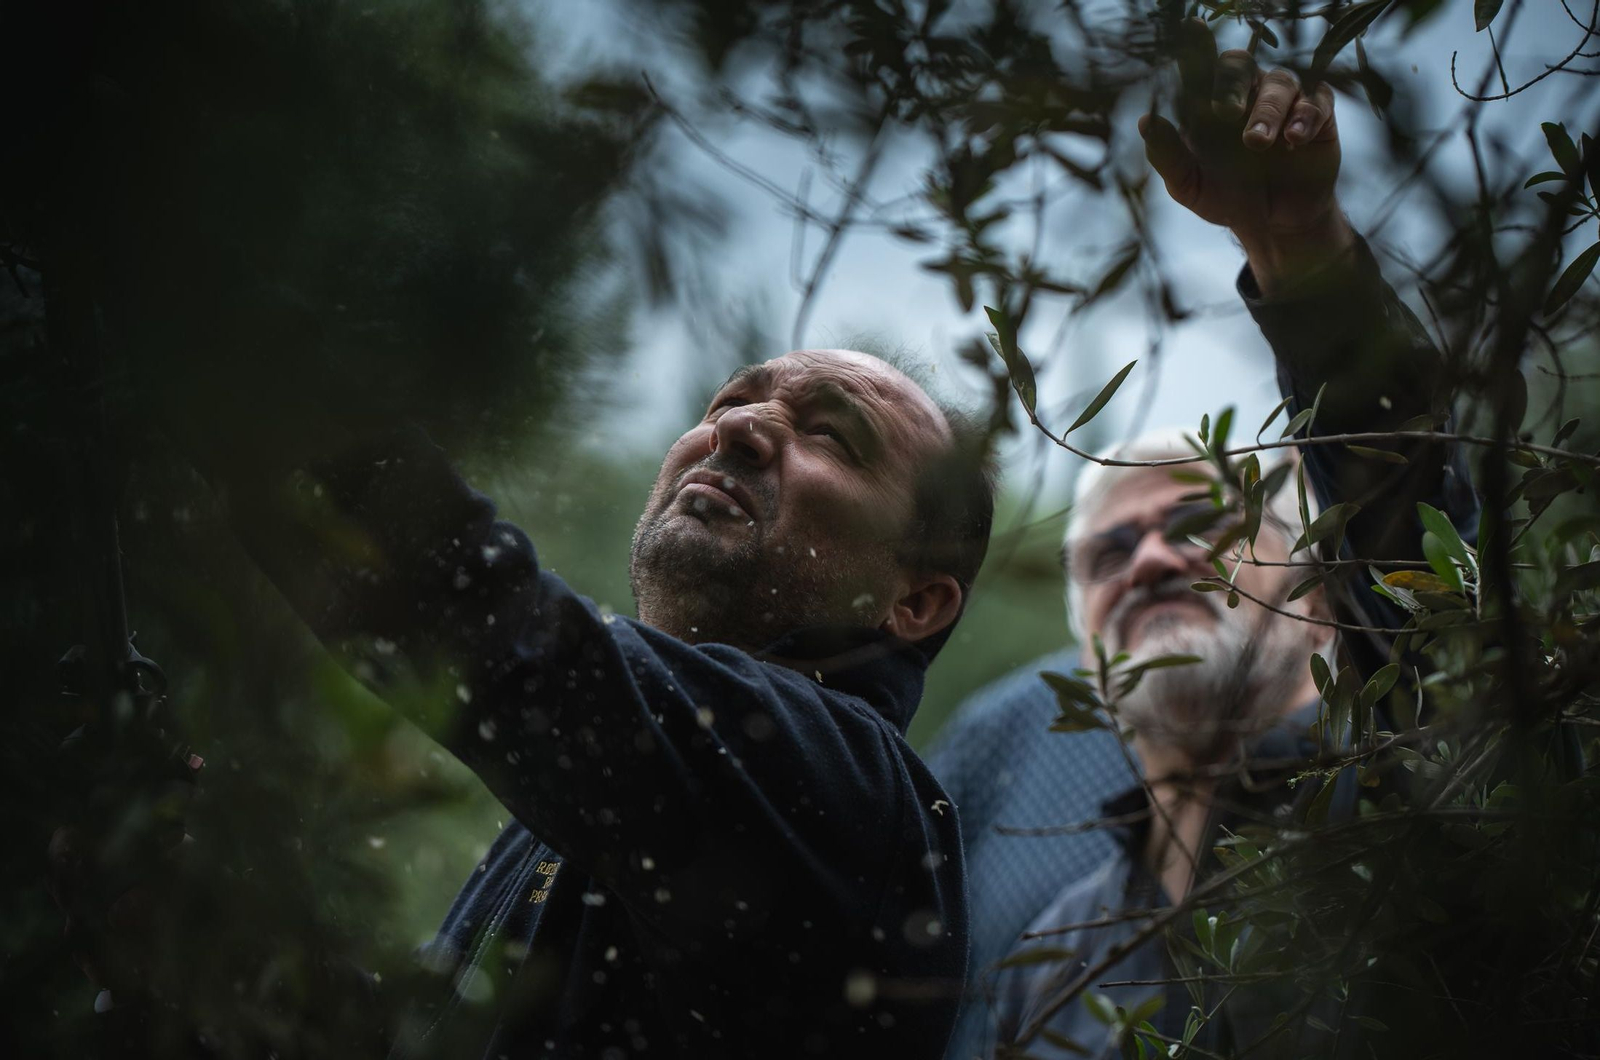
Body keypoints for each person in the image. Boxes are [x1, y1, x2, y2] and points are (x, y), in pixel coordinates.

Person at [172, 349, 996, 1058]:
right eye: (731, 401)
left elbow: (500, 634)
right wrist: (207, 934)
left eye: (832, 436)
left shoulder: (844, 787)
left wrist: (248, 372)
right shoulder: (634, 787)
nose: (738, 429)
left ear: (914, 602)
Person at [945, 20, 1478, 1059]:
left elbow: (1398, 516)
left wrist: (1296, 247)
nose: (1149, 558)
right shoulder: (1056, 958)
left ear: (1319, 598)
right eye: (1109, 552)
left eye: (1202, 523)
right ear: (1088, 658)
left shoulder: (1427, 792)